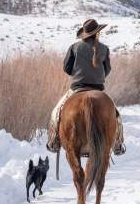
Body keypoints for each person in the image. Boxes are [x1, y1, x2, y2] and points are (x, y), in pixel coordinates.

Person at [46, 19, 125, 155]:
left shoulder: (74, 47)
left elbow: (67, 68)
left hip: (77, 88)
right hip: (98, 89)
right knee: (117, 116)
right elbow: (107, 70)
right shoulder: (104, 49)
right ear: (97, 33)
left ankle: (54, 142)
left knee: (56, 112)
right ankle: (118, 144)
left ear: (85, 34)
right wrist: (97, 76)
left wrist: (77, 72)